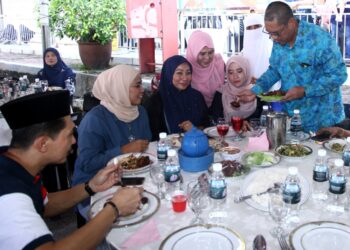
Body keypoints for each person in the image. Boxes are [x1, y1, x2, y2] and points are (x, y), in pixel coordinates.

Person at [0, 90, 142, 249]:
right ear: (43, 144)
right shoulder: (9, 194)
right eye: (69, 135)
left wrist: (90, 186)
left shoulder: (14, 165)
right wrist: (114, 209)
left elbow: (46, 205)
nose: (74, 141)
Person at [238, 1, 348, 133]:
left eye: (276, 33)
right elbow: (275, 70)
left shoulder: (319, 39)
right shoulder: (279, 40)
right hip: (291, 117)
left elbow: (339, 74)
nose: (273, 38)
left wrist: (305, 90)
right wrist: (255, 90)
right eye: (270, 33)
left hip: (322, 119)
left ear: (291, 23)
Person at [72, 65, 151, 220]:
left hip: (131, 179)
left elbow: (146, 147)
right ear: (119, 88)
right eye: (137, 85)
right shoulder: (94, 120)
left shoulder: (140, 112)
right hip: (95, 189)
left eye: (141, 84)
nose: (142, 90)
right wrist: (122, 150)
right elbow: (87, 163)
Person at [144, 55, 209, 141]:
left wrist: (194, 129)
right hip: (167, 150)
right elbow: (153, 135)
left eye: (188, 73)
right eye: (179, 73)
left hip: (197, 145)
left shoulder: (197, 97)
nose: (185, 78)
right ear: (169, 74)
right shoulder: (156, 101)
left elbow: (207, 126)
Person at [210, 55, 263, 130]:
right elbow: (217, 121)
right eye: (231, 72)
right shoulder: (221, 94)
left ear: (246, 71)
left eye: (239, 71)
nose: (235, 76)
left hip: (254, 138)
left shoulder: (256, 93)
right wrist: (237, 124)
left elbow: (263, 121)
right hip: (228, 137)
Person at [186, 30, 225, 108]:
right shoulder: (185, 70)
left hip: (217, 113)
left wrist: (255, 89)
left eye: (211, 52)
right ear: (193, 52)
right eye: (202, 53)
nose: (207, 57)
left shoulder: (219, 63)